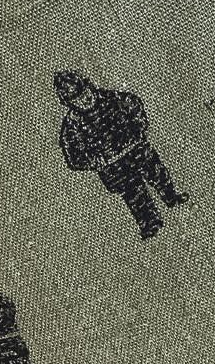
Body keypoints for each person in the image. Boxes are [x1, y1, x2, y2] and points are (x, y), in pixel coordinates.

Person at [55, 71, 190, 240]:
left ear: (90, 86)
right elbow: (73, 156)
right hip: (115, 168)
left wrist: (139, 126)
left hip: (137, 150)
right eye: (78, 99)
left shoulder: (111, 98)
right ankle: (150, 222)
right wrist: (94, 160)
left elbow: (134, 105)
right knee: (134, 194)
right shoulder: (72, 125)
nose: (85, 100)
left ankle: (171, 196)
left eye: (85, 93)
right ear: (69, 103)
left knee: (157, 173)